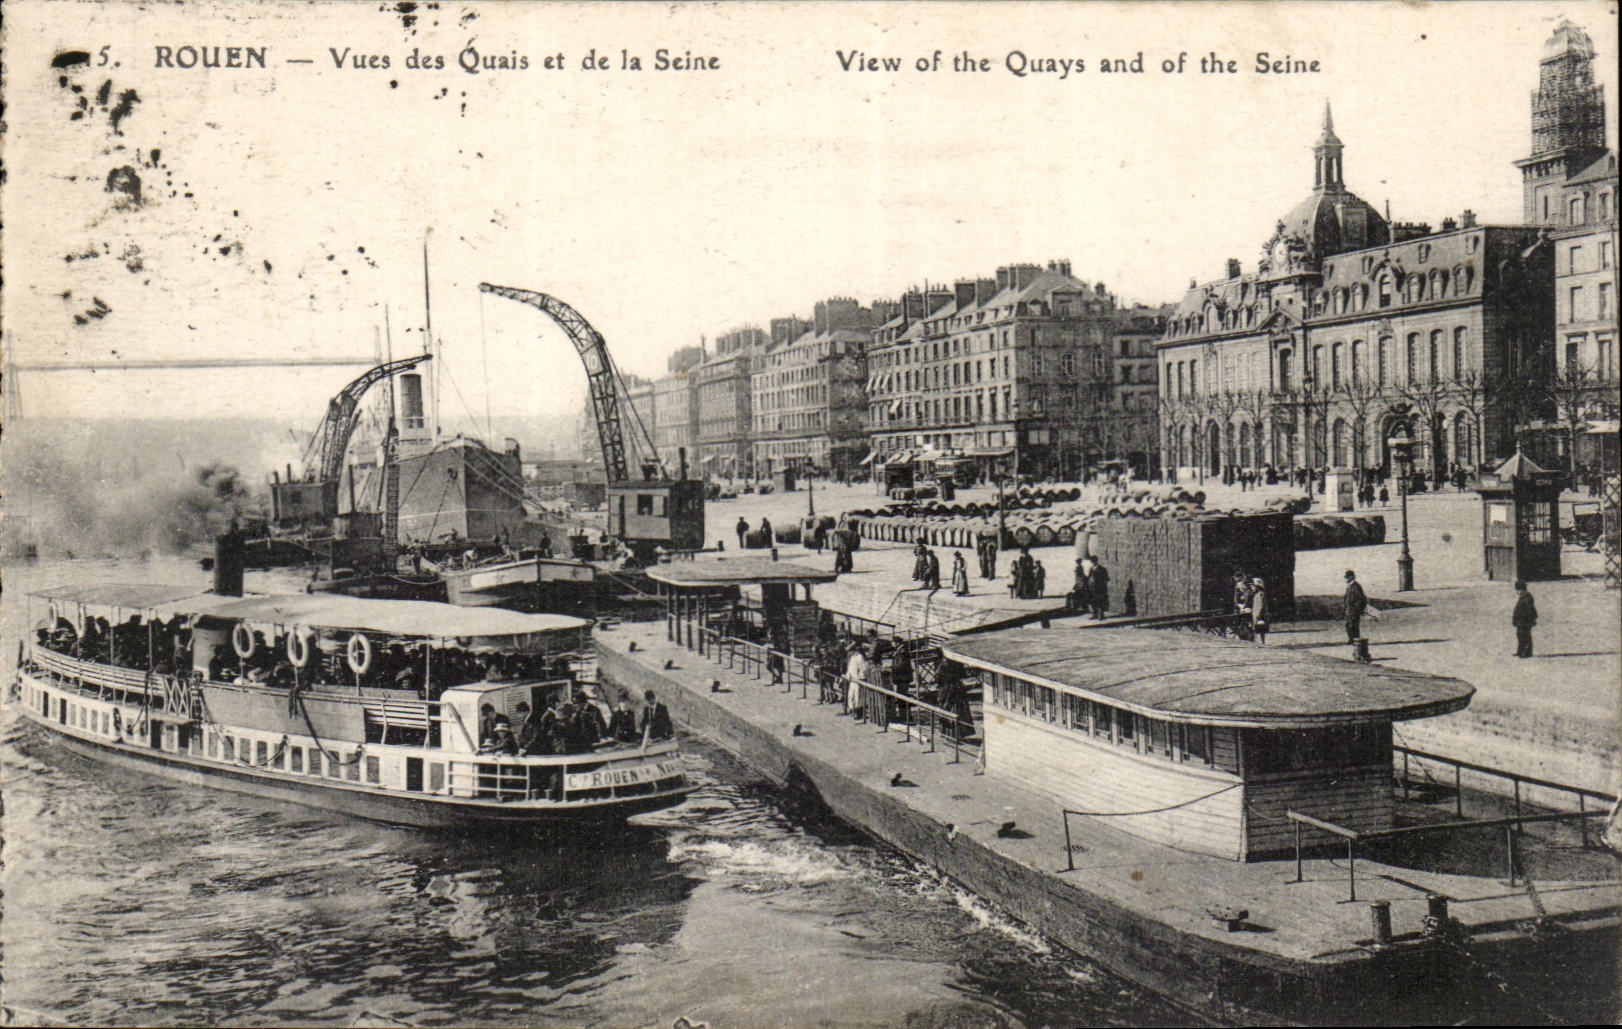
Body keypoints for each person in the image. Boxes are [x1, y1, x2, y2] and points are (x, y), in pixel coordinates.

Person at [1342, 569, 1379, 645]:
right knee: (1348, 625)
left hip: (1354, 610)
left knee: (1353, 625)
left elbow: (1361, 599)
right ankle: (1351, 639)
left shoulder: (1356, 586)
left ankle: (1355, 640)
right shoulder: (1349, 586)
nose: (1346, 579)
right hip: (1348, 610)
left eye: (1347, 577)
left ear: (1352, 577)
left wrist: (1357, 609)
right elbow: (1346, 598)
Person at [1512, 580, 1538, 658]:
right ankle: (1520, 651)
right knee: (1520, 636)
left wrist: (1531, 620)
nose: (1518, 592)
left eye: (1520, 590)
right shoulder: (1523, 597)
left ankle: (1527, 652)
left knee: (1525, 637)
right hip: (1520, 622)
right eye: (1517, 590)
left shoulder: (1527, 598)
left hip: (1525, 622)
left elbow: (1530, 611)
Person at [844, 645, 870, 717]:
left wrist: (860, 678)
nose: (848, 653)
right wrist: (848, 675)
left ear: (853, 651)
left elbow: (864, 669)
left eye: (849, 651)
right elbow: (850, 669)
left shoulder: (859, 657)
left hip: (858, 681)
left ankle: (858, 713)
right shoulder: (852, 658)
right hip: (852, 680)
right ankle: (852, 710)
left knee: (858, 697)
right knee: (851, 696)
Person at [1250, 576, 1269, 644]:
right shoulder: (1256, 594)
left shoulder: (1260, 594)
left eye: (1253, 587)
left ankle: (1261, 640)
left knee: (1260, 627)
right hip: (1256, 612)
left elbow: (1261, 604)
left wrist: (1259, 613)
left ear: (1257, 587)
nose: (1252, 588)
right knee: (1256, 626)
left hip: (1259, 613)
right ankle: (1257, 640)